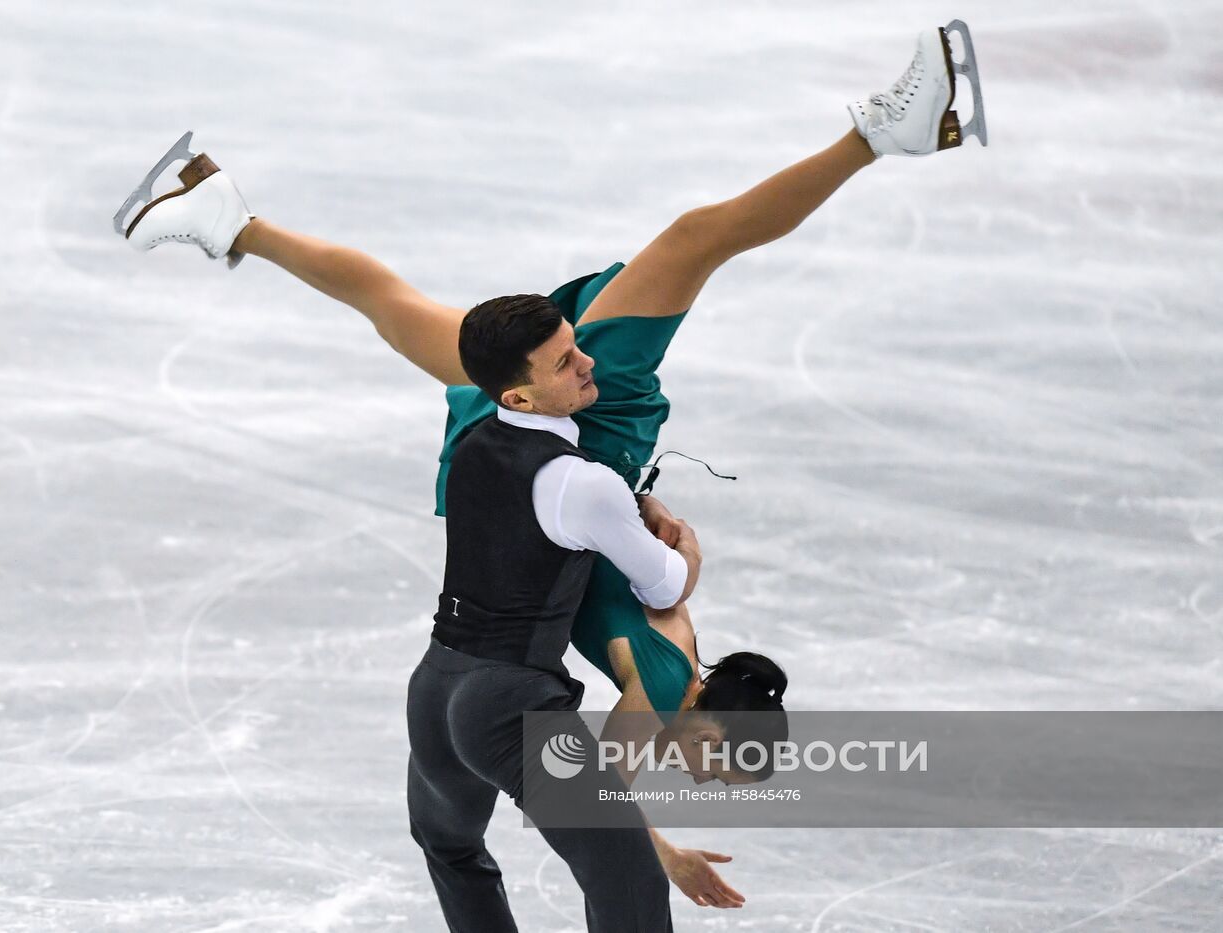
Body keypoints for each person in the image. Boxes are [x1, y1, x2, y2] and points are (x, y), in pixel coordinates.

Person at [114, 22, 987, 920]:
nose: (704, 772)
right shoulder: (655, 676)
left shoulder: (670, 657)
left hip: (534, 473)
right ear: (708, 719)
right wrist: (679, 564)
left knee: (405, 305)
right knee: (685, 242)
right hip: (579, 441)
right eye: (717, 761)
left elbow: (606, 768)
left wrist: (662, 836)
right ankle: (881, 134)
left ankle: (232, 219)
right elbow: (609, 760)